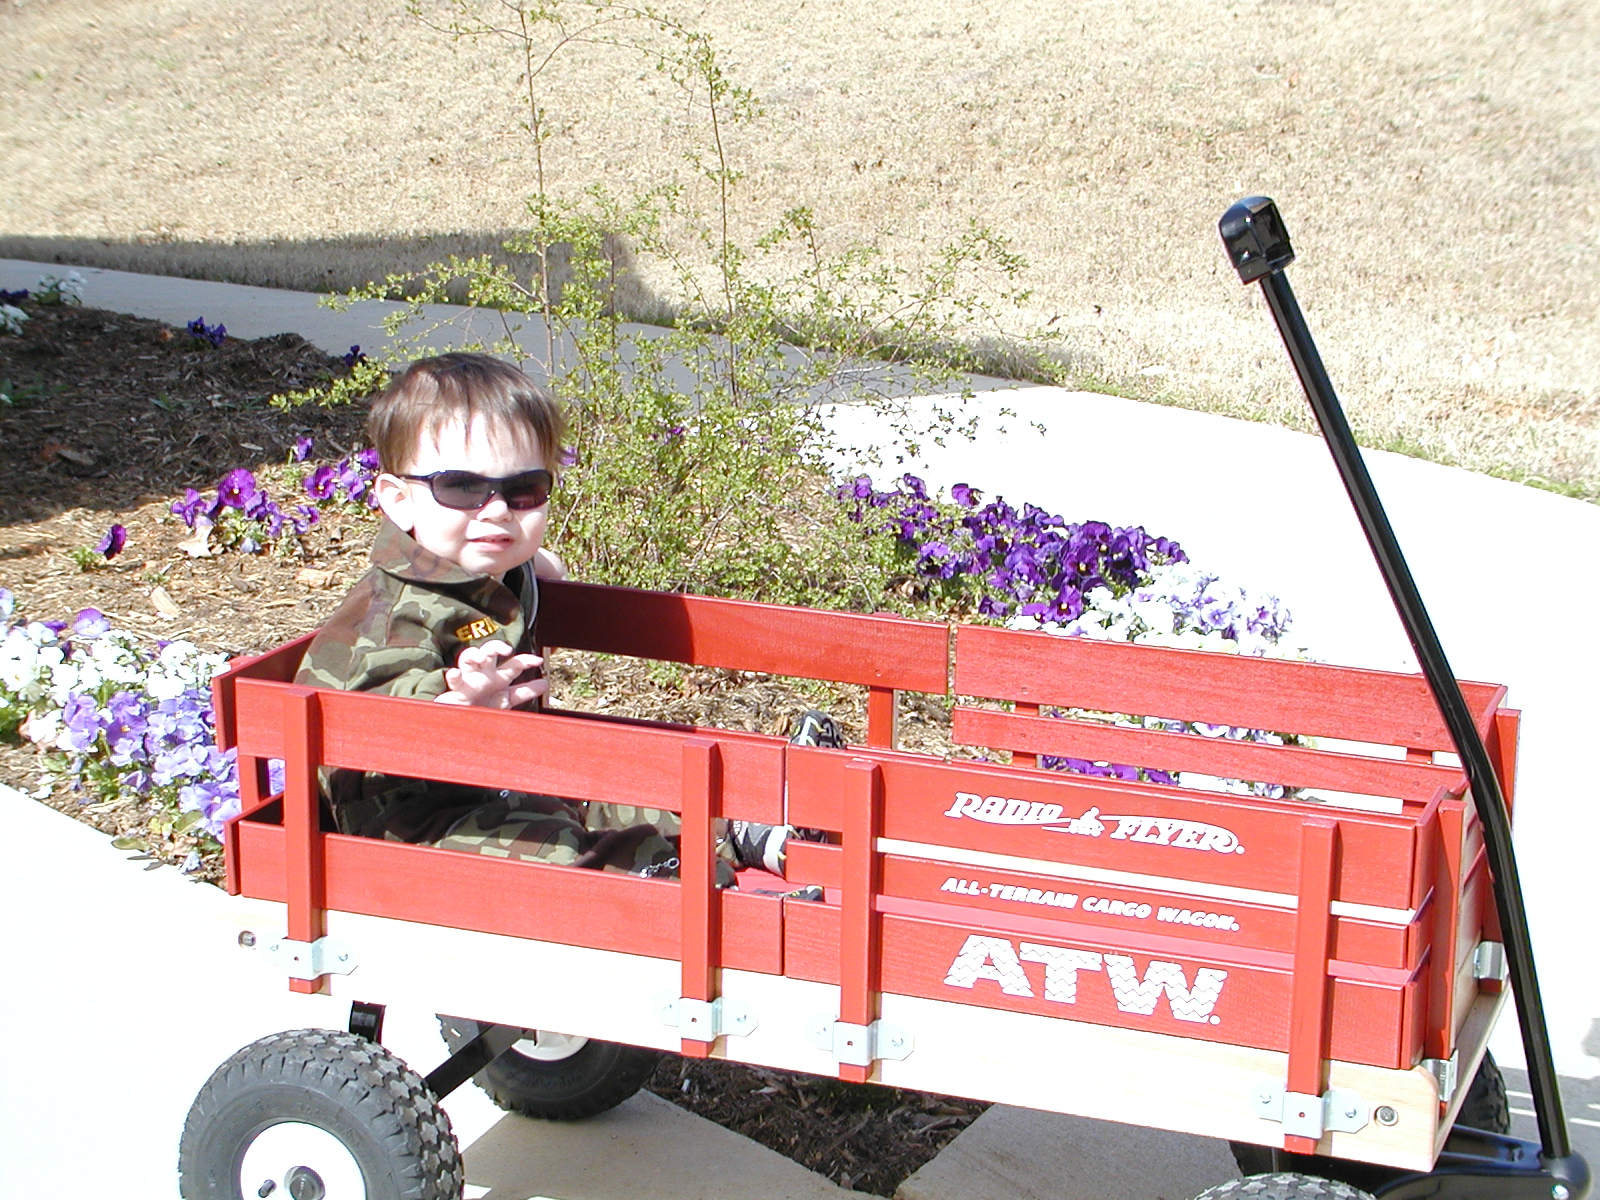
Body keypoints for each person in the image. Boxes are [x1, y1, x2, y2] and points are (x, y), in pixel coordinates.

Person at [295, 352, 824, 880]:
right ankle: (669, 882)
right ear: (398, 501)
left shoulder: (484, 567)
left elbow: (537, 562)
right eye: (461, 487)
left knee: (622, 780)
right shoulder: (394, 614)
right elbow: (365, 709)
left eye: (523, 490)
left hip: (509, 773)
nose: (497, 510)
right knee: (556, 845)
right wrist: (450, 705)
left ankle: (751, 826)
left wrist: (534, 561)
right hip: (420, 818)